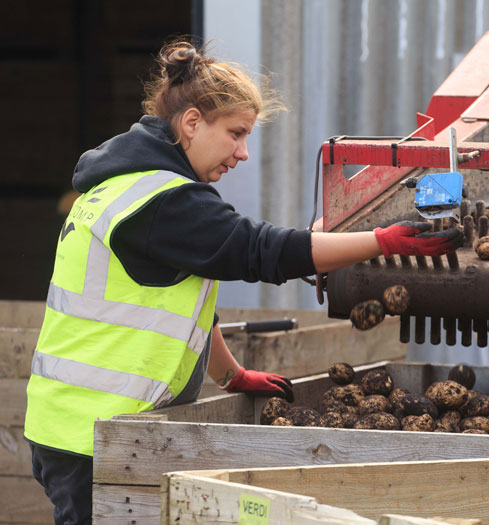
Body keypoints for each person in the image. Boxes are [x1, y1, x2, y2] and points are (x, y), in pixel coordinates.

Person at [24, 40, 463, 524]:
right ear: (192, 123)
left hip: (77, 426)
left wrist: (229, 374)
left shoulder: (132, 187)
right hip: (91, 435)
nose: (244, 153)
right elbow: (259, 250)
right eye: (235, 134)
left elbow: (179, 300)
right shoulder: (160, 201)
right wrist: (382, 241)